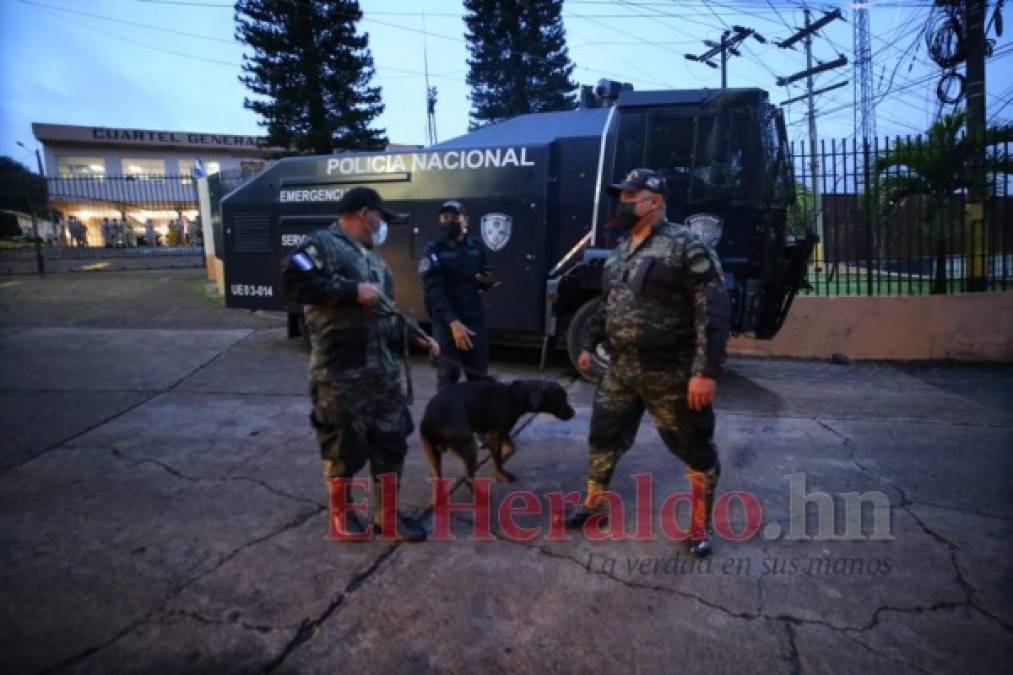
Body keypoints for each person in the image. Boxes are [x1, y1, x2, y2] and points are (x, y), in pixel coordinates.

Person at [564, 168, 731, 559]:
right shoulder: (622, 249)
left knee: (693, 446)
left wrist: (705, 373)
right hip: (621, 369)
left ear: (653, 201)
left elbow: (714, 313)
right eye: (621, 196)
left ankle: (699, 525)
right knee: (603, 435)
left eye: (629, 196)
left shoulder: (686, 246)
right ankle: (595, 503)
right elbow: (609, 305)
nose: (621, 203)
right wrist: (589, 342)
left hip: (670, 371)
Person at [280, 187, 440, 542]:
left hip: (382, 374)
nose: (383, 225)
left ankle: (387, 516)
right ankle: (343, 516)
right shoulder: (322, 244)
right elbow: (292, 281)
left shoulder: (376, 262)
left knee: (392, 440)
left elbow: (385, 315)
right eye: (381, 218)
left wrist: (416, 337)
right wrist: (351, 291)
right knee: (343, 448)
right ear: (364, 212)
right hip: (340, 374)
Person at [419, 200, 495, 390]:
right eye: (445, 218)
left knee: (478, 375)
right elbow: (434, 290)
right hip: (446, 320)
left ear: (465, 220)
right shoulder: (433, 249)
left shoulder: (476, 247)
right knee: (448, 374)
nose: (450, 221)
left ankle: (476, 418)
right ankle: (444, 418)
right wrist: (453, 322)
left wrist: (486, 281)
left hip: (472, 317)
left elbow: (487, 276)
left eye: (455, 217)